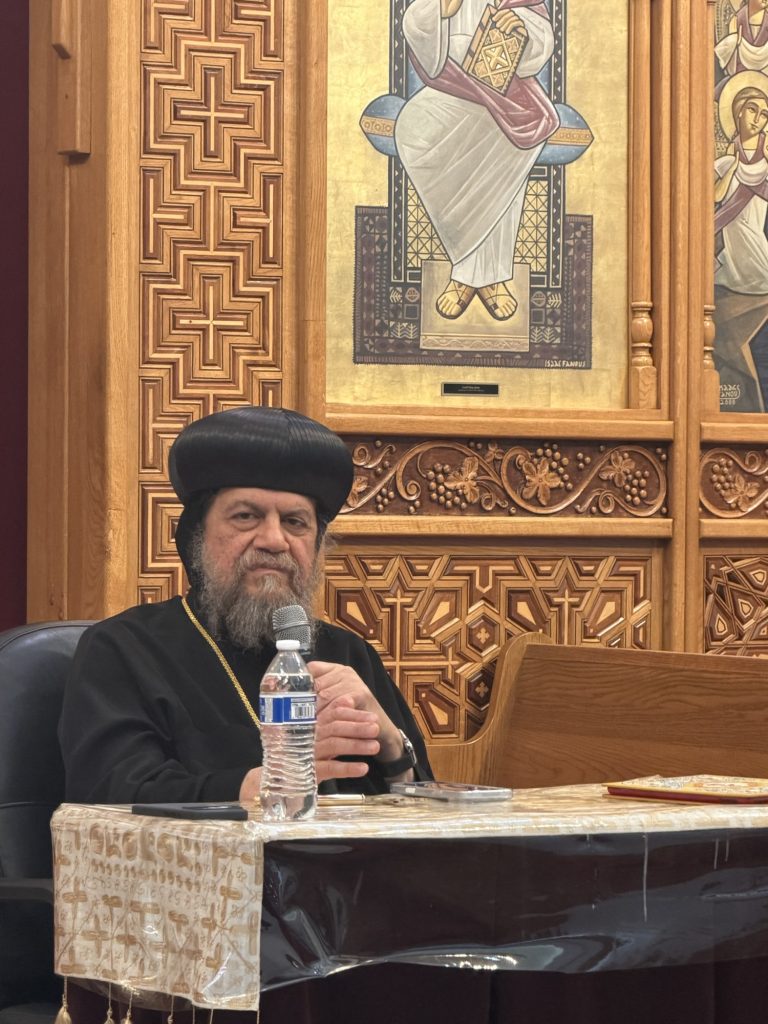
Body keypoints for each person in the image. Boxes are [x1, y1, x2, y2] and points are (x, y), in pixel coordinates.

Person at [59, 405, 431, 806]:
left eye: (295, 522)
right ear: (197, 535)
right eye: (246, 516)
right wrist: (256, 787)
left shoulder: (348, 654)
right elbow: (111, 796)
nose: (273, 540)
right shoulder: (124, 649)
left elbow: (424, 810)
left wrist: (393, 748)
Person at [395, 0, 559, 321]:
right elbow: (413, 21)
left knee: (503, 148)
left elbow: (542, 37)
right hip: (450, 87)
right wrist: (439, 11)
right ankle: (472, 269)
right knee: (411, 131)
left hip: (505, 94)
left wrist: (523, 29)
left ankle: (479, 278)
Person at [715, 76, 768, 293]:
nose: (757, 119)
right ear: (739, 111)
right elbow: (716, 196)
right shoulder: (730, 153)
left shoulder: (766, 152)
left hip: (755, 227)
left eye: (764, 114)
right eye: (752, 109)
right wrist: (731, 169)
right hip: (734, 230)